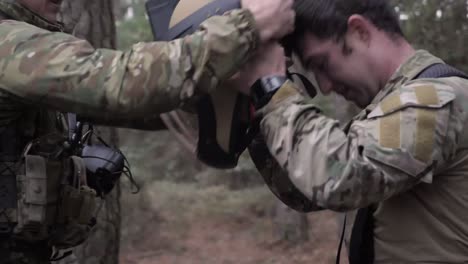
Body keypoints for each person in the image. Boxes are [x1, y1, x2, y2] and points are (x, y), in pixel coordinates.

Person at [0, 0, 294, 263]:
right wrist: (248, 28)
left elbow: (141, 105)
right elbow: (120, 83)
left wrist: (218, 82)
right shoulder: (8, 44)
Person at [231, 0, 468, 263]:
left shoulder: (438, 97)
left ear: (360, 31)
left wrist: (272, 90)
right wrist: (257, 115)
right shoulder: (385, 110)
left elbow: (342, 177)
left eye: (322, 63)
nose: (325, 86)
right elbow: (305, 191)